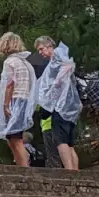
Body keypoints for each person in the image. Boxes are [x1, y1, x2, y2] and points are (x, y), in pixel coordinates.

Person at [33, 36, 82, 171]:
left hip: (61, 106)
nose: (41, 53)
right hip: (70, 108)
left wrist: (56, 82)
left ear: (49, 45)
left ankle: (69, 170)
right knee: (70, 143)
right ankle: (74, 170)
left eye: (41, 49)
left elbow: (67, 66)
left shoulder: (58, 55)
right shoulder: (55, 60)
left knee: (61, 141)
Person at [0, 33, 35, 167]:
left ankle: (24, 168)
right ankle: (21, 165)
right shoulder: (24, 63)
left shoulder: (10, 62)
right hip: (24, 100)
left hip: (15, 101)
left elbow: (10, 84)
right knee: (12, 138)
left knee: (15, 139)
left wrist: (6, 105)